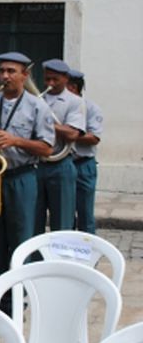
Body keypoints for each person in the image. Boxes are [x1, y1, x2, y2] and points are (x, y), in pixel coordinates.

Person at [0, 52, 54, 298]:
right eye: (2, 71)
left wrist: (16, 141)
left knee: (21, 238)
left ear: (25, 75)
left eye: (11, 71)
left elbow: (46, 148)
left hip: (21, 178)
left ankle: (19, 297)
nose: (5, 76)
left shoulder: (37, 106)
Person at [34, 58, 85, 235]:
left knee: (62, 221)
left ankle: (61, 260)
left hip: (61, 164)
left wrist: (47, 123)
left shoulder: (74, 101)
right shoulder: (36, 100)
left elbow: (72, 133)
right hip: (37, 164)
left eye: (55, 79)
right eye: (47, 79)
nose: (50, 83)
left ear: (65, 78)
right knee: (34, 220)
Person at [67, 69, 103, 234]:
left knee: (85, 214)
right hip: (63, 164)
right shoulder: (57, 106)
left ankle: (88, 256)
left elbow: (94, 137)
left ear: (73, 87)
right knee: (65, 215)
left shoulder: (91, 108)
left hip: (83, 165)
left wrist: (69, 134)